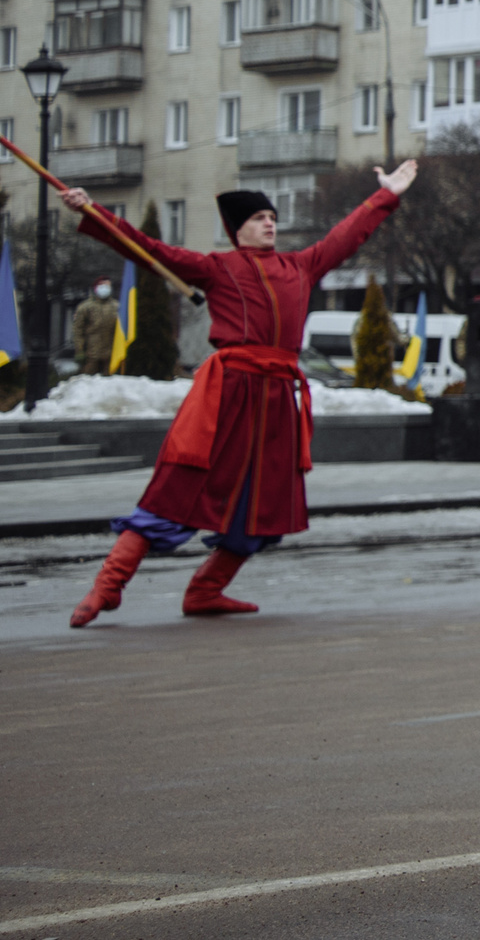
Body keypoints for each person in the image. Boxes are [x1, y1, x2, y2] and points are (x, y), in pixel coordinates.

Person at [67, 164, 418, 628]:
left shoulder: (300, 265)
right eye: (258, 218)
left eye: (272, 217)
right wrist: (93, 211)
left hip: (278, 401)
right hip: (228, 394)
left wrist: (385, 196)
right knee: (179, 488)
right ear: (237, 230)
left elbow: (346, 236)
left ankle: (205, 591)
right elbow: (149, 249)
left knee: (268, 504)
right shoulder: (218, 267)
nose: (269, 223)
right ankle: (107, 586)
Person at [71, 277, 120, 380]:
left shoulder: (117, 306)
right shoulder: (85, 307)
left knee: (110, 383)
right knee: (88, 381)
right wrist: (79, 350)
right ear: (96, 288)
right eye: (102, 285)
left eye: (107, 285)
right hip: (91, 353)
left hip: (111, 354)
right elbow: (78, 330)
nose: (105, 288)